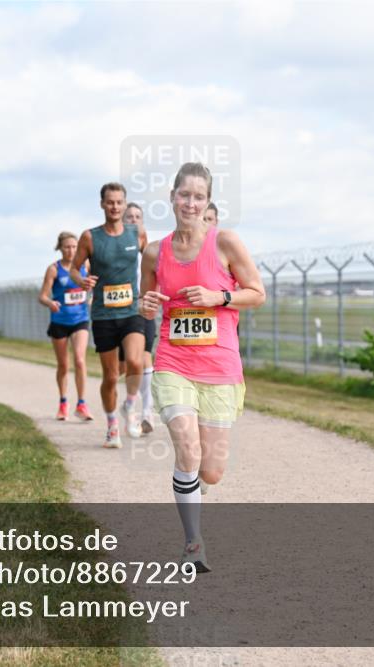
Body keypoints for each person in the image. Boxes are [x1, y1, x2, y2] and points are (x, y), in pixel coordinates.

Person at [139, 162, 265, 573]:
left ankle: (193, 487)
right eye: (184, 194)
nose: (190, 203)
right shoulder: (155, 252)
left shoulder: (226, 243)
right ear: (172, 197)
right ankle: (194, 543)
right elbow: (147, 298)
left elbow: (257, 293)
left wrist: (218, 297)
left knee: (210, 471)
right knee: (187, 448)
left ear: (208, 202)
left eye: (199, 196)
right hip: (173, 359)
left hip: (219, 365)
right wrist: (147, 305)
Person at [70, 182, 147, 448]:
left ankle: (130, 404)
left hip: (131, 309)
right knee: (111, 376)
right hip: (103, 315)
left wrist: (150, 292)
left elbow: (149, 265)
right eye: (110, 202)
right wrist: (81, 282)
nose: (115, 206)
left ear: (125, 204)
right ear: (102, 204)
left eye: (119, 202)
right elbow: (74, 268)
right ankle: (112, 425)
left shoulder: (136, 234)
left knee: (136, 363)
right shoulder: (90, 237)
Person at [39, 232, 93, 422]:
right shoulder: (54, 269)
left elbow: (95, 284)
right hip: (59, 321)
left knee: (79, 359)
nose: (71, 251)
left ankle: (82, 404)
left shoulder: (85, 265)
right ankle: (63, 403)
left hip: (80, 319)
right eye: (67, 247)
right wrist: (51, 303)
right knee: (63, 365)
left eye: (74, 247)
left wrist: (92, 296)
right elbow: (42, 296)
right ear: (60, 248)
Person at [120, 202, 157, 434]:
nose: (133, 220)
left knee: (146, 358)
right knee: (128, 364)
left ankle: (147, 413)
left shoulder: (147, 246)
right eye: (129, 217)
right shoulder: (114, 245)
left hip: (142, 308)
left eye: (137, 216)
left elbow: (157, 269)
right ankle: (129, 405)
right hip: (120, 311)